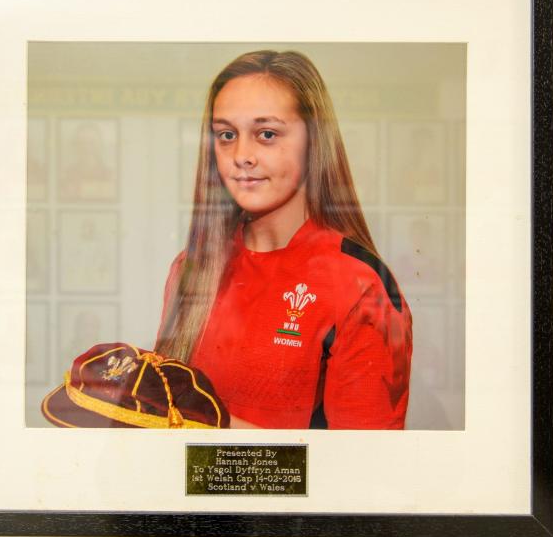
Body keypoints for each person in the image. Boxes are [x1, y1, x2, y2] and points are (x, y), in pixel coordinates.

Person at [154, 50, 412, 429]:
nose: (241, 155)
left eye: (267, 134)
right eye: (226, 135)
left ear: (314, 141)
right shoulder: (191, 268)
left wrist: (213, 428)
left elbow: (363, 472)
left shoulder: (361, 287)